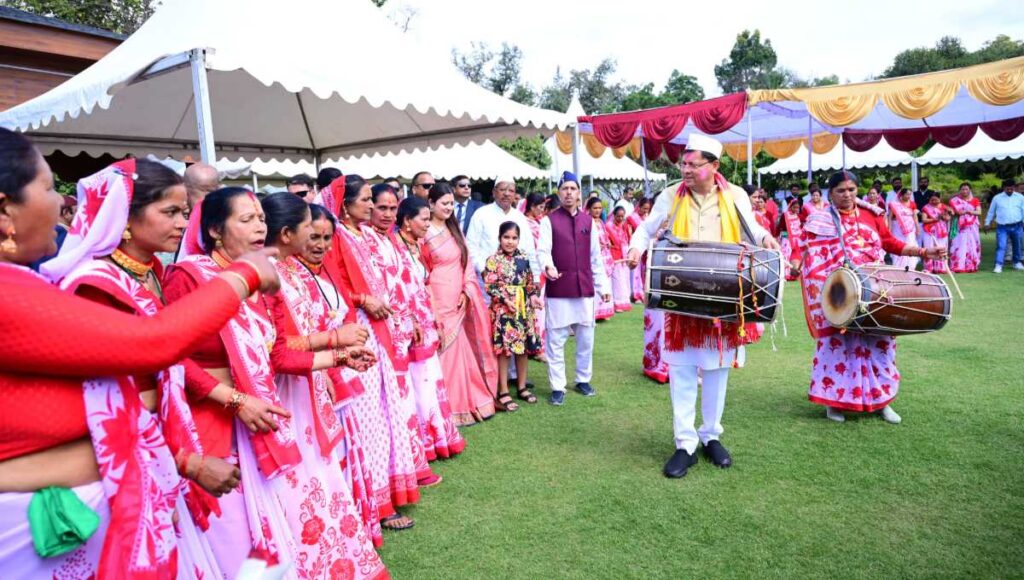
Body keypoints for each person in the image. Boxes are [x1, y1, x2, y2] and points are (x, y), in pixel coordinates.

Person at [0, 128, 282, 578]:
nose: (62, 206)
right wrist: (241, 276)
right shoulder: (83, 284)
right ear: (4, 210)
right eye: (50, 188)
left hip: (104, 495)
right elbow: (152, 345)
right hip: (46, 522)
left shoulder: (143, 276)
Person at [166, 186, 379, 577]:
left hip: (260, 421)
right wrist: (236, 400)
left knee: (273, 539)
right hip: (213, 423)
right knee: (233, 544)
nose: (259, 227)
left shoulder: (264, 282)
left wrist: (340, 357)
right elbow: (172, 358)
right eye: (246, 220)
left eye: (261, 219)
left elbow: (278, 356)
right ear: (214, 230)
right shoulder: (191, 277)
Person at [45, 160, 235, 578]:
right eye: (170, 212)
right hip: (128, 462)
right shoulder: (96, 287)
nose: (182, 223)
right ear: (126, 218)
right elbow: (109, 404)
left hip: (161, 448)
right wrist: (185, 462)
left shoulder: (153, 273)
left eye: (184, 212)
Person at [626, 134, 779, 478]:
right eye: (683, 164)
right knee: (681, 371)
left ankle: (711, 436)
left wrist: (766, 237)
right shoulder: (670, 196)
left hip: (722, 296)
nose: (686, 170)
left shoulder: (735, 195)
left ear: (714, 166)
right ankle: (685, 444)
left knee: (716, 370)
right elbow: (645, 230)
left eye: (694, 165)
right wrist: (636, 249)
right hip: (680, 293)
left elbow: (753, 229)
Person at [259, 192, 389, 575]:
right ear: (287, 233)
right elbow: (277, 349)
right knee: (300, 483)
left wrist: (339, 356)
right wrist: (335, 344)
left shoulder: (292, 270)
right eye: (308, 229)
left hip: (309, 383)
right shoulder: (267, 276)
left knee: (320, 475)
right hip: (286, 393)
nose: (316, 239)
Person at [792, 170, 946, 424]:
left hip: (876, 291)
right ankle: (834, 402)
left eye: (851, 190)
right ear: (831, 193)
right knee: (838, 347)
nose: (847, 195)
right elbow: (805, 250)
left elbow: (889, 242)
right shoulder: (820, 220)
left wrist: (923, 251)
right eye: (841, 190)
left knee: (880, 343)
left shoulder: (871, 214)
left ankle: (882, 401)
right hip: (840, 294)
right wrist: (798, 264)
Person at [325, 174, 433, 531]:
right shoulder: (337, 236)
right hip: (358, 330)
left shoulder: (366, 234)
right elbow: (331, 286)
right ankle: (374, 504)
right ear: (345, 205)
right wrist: (362, 300)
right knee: (367, 416)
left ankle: (386, 493)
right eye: (367, 200)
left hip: (381, 330)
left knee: (386, 413)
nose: (373, 207)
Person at [296, 203, 384, 545]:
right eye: (313, 237)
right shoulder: (290, 276)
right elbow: (293, 338)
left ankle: (354, 525)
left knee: (346, 447)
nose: (321, 245)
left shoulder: (322, 271)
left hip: (337, 367)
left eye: (326, 238)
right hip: (312, 374)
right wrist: (330, 361)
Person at [385, 194, 467, 460]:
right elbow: (395, 289)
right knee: (417, 383)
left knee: (429, 380)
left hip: (425, 321)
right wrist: (411, 319)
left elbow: (425, 285)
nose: (427, 225)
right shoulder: (394, 247)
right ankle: (420, 442)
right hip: (408, 326)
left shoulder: (416, 247)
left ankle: (436, 437)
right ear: (407, 221)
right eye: (423, 220)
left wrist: (435, 319)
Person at [422, 183, 499, 425]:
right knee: (444, 348)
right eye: (443, 203)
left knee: (460, 349)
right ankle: (447, 408)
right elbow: (422, 269)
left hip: (458, 295)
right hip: (437, 296)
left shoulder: (453, 229)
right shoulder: (424, 231)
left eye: (451, 204)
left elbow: (465, 262)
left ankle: (469, 402)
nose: (448, 208)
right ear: (431, 204)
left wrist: (467, 289)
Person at [538, 171, 611, 406]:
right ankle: (557, 386)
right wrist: (548, 266)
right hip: (559, 288)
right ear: (559, 192)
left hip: (584, 289)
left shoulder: (589, 222)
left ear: (579, 193)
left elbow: (595, 258)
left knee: (586, 339)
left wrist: (603, 286)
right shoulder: (549, 221)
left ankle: (583, 379)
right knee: (555, 340)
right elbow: (543, 251)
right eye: (564, 189)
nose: (568, 193)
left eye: (572, 189)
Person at [484, 221, 543, 411]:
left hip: (523, 308)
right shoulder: (493, 260)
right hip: (503, 310)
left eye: (514, 238)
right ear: (499, 238)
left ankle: (522, 386)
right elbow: (490, 286)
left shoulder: (524, 257)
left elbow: (529, 282)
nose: (510, 241)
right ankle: (503, 391)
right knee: (504, 350)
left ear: (519, 239)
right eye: (506, 237)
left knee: (522, 348)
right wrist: (504, 300)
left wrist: (533, 297)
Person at [465, 176, 539, 288]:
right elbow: (471, 247)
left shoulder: (520, 217)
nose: (507, 194)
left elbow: (530, 250)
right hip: (487, 282)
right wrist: (483, 270)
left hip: (516, 283)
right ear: (494, 192)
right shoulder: (481, 214)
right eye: (502, 189)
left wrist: (536, 277)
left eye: (511, 191)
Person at [523, 193, 549, 357]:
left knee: (540, 310)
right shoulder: (524, 223)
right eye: (540, 207)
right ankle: (534, 347)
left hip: (541, 269)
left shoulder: (539, 222)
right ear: (531, 206)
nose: (542, 210)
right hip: (531, 270)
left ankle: (536, 345)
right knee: (534, 310)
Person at [985, 178, 1024, 273]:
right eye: (1007, 189)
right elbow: (991, 212)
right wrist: (987, 223)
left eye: (1011, 188)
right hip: (1002, 227)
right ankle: (998, 265)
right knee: (1001, 246)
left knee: (1017, 245)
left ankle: (1016, 263)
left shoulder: (1020, 197)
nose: (1009, 190)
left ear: (1014, 187)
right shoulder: (997, 198)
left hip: (1017, 225)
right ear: (1004, 188)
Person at [587, 196, 616, 321]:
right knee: (596, 281)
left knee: (605, 281)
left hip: (605, 256)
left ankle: (605, 311)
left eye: (599, 208)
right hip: (594, 256)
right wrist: (596, 246)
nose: (597, 210)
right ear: (589, 209)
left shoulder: (600, 222)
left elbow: (605, 236)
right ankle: (595, 312)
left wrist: (607, 243)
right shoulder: (587, 222)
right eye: (595, 208)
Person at [605, 205, 634, 313]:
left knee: (624, 279)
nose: (620, 218)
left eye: (622, 216)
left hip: (624, 256)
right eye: (618, 216)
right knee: (617, 280)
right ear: (614, 215)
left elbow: (627, 239)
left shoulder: (623, 226)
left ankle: (624, 302)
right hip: (614, 256)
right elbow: (608, 242)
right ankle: (616, 304)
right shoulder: (608, 226)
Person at [948, 182, 983, 273]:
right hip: (959, 226)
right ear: (960, 190)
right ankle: (958, 265)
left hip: (971, 226)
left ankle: (970, 265)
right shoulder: (955, 200)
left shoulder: (975, 200)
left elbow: (979, 212)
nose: (964, 191)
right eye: (962, 189)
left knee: (972, 244)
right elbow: (952, 211)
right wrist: (955, 212)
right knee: (958, 244)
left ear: (970, 190)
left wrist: (967, 212)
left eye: (966, 189)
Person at [888, 188, 920, 270]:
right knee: (899, 244)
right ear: (902, 195)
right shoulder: (894, 205)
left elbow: (915, 217)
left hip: (910, 228)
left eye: (910, 194)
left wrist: (917, 228)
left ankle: (910, 265)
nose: (909, 196)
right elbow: (890, 217)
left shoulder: (912, 204)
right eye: (907, 194)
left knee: (910, 244)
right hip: (897, 228)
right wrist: (890, 229)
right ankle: (898, 265)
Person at [627, 197, 652, 303]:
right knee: (635, 272)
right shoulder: (632, 218)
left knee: (645, 271)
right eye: (644, 208)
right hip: (636, 248)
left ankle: (643, 293)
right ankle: (636, 294)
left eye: (648, 209)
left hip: (646, 249)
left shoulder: (649, 218)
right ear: (639, 207)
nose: (646, 211)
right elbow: (629, 233)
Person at [920, 192, 952, 273]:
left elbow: (948, 218)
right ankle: (928, 268)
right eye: (932, 200)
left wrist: (945, 217)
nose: (934, 202)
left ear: (939, 199)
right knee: (929, 248)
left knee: (942, 248)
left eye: (936, 200)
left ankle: (941, 268)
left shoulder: (944, 207)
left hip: (941, 231)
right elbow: (924, 220)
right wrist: (935, 219)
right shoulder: (926, 208)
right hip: (929, 231)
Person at [781, 197, 803, 281]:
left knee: (796, 257)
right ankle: (785, 274)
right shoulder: (785, 215)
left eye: (798, 207)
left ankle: (795, 273)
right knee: (786, 256)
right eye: (794, 207)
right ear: (790, 206)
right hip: (787, 239)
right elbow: (780, 227)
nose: (796, 209)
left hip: (797, 240)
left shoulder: (798, 216)